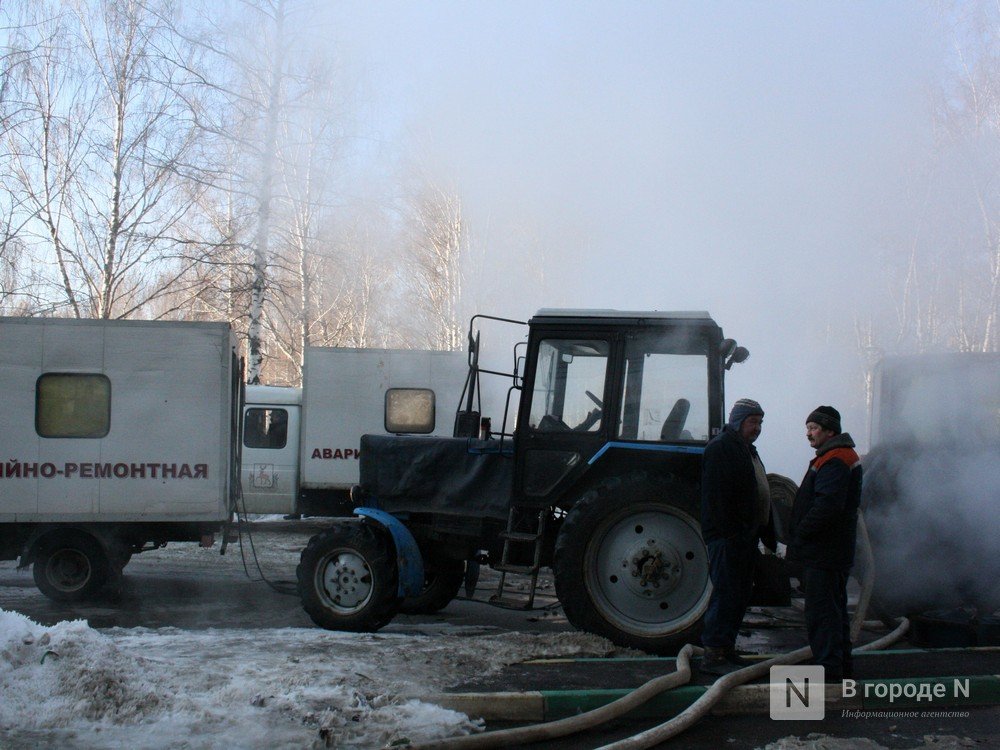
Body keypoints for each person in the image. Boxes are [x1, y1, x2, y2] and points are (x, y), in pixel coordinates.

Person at [787, 405, 863, 682]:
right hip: (831, 551)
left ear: (830, 430)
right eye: (807, 428)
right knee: (833, 610)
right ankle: (839, 664)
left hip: (824, 552)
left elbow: (827, 506)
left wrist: (800, 535)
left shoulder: (834, 460)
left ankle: (828, 669)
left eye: (814, 428)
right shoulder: (833, 456)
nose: (808, 434)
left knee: (822, 613)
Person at [699, 398, 775, 674]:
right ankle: (714, 655)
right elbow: (720, 499)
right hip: (729, 537)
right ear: (738, 421)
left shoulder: (745, 449)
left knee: (739, 594)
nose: (757, 428)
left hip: (743, 537)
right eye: (753, 422)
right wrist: (735, 533)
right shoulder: (722, 449)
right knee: (726, 592)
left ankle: (726, 648)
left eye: (760, 423)